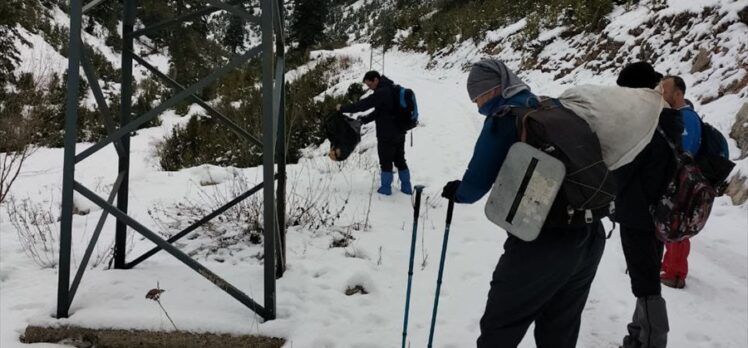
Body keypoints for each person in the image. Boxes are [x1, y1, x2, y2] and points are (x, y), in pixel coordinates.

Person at [441, 59, 605, 348]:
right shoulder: (550, 105)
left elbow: (476, 184)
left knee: (500, 327)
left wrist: (458, 192)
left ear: (493, 90)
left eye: (478, 96)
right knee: (559, 329)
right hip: (590, 233)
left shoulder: (504, 118)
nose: (477, 105)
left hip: (543, 242)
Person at [614, 61, 683, 348]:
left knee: (647, 286)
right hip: (659, 212)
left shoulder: (643, 125)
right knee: (646, 277)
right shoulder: (667, 118)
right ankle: (637, 336)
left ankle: (653, 341)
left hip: (638, 214)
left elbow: (623, 170)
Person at [659, 75, 702, 289]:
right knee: (670, 223)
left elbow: (683, 151)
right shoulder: (681, 116)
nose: (661, 94)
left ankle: (676, 273)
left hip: (682, 180)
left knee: (676, 226)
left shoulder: (686, 118)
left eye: (665, 90)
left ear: (678, 93)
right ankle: (669, 265)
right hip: (680, 178)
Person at [339, 71, 412, 195]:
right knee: (400, 159)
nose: (369, 87)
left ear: (376, 80)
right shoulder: (391, 88)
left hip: (387, 133)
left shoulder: (381, 92)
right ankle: (407, 188)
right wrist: (364, 119)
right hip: (399, 131)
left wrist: (343, 108)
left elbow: (363, 105)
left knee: (385, 161)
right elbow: (381, 111)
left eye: (370, 84)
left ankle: (385, 189)